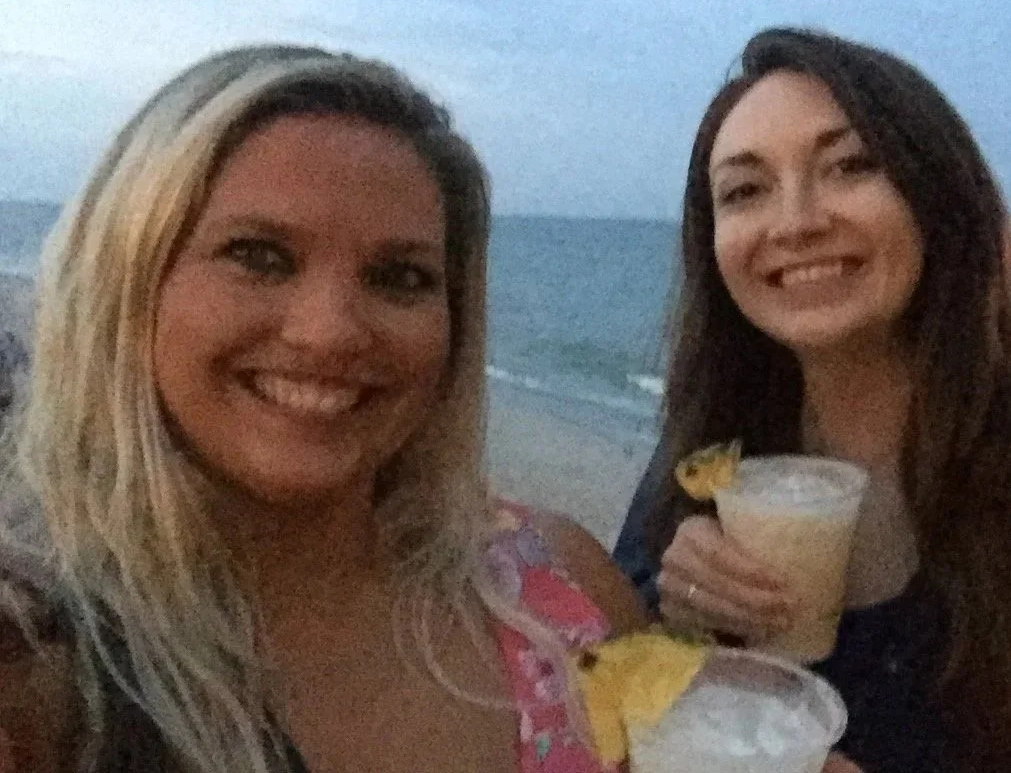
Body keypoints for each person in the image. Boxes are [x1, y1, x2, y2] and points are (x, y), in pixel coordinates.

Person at [0, 44, 650, 773]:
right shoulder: (39, 660)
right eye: (258, 256)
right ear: (126, 283)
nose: (331, 330)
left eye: (398, 277)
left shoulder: (556, 601)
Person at [613, 27, 1011, 773]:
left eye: (850, 166)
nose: (797, 220)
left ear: (936, 195)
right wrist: (671, 608)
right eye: (744, 191)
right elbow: (608, 704)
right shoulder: (706, 458)